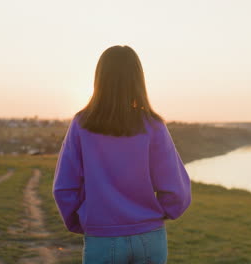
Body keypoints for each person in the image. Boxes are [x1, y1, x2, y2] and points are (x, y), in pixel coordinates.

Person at [53, 45, 191, 264]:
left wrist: (81, 222)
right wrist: (161, 213)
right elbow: (176, 189)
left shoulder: (82, 124)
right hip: (150, 237)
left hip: (102, 237)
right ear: (137, 80)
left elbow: (64, 187)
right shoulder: (153, 125)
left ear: (99, 79)